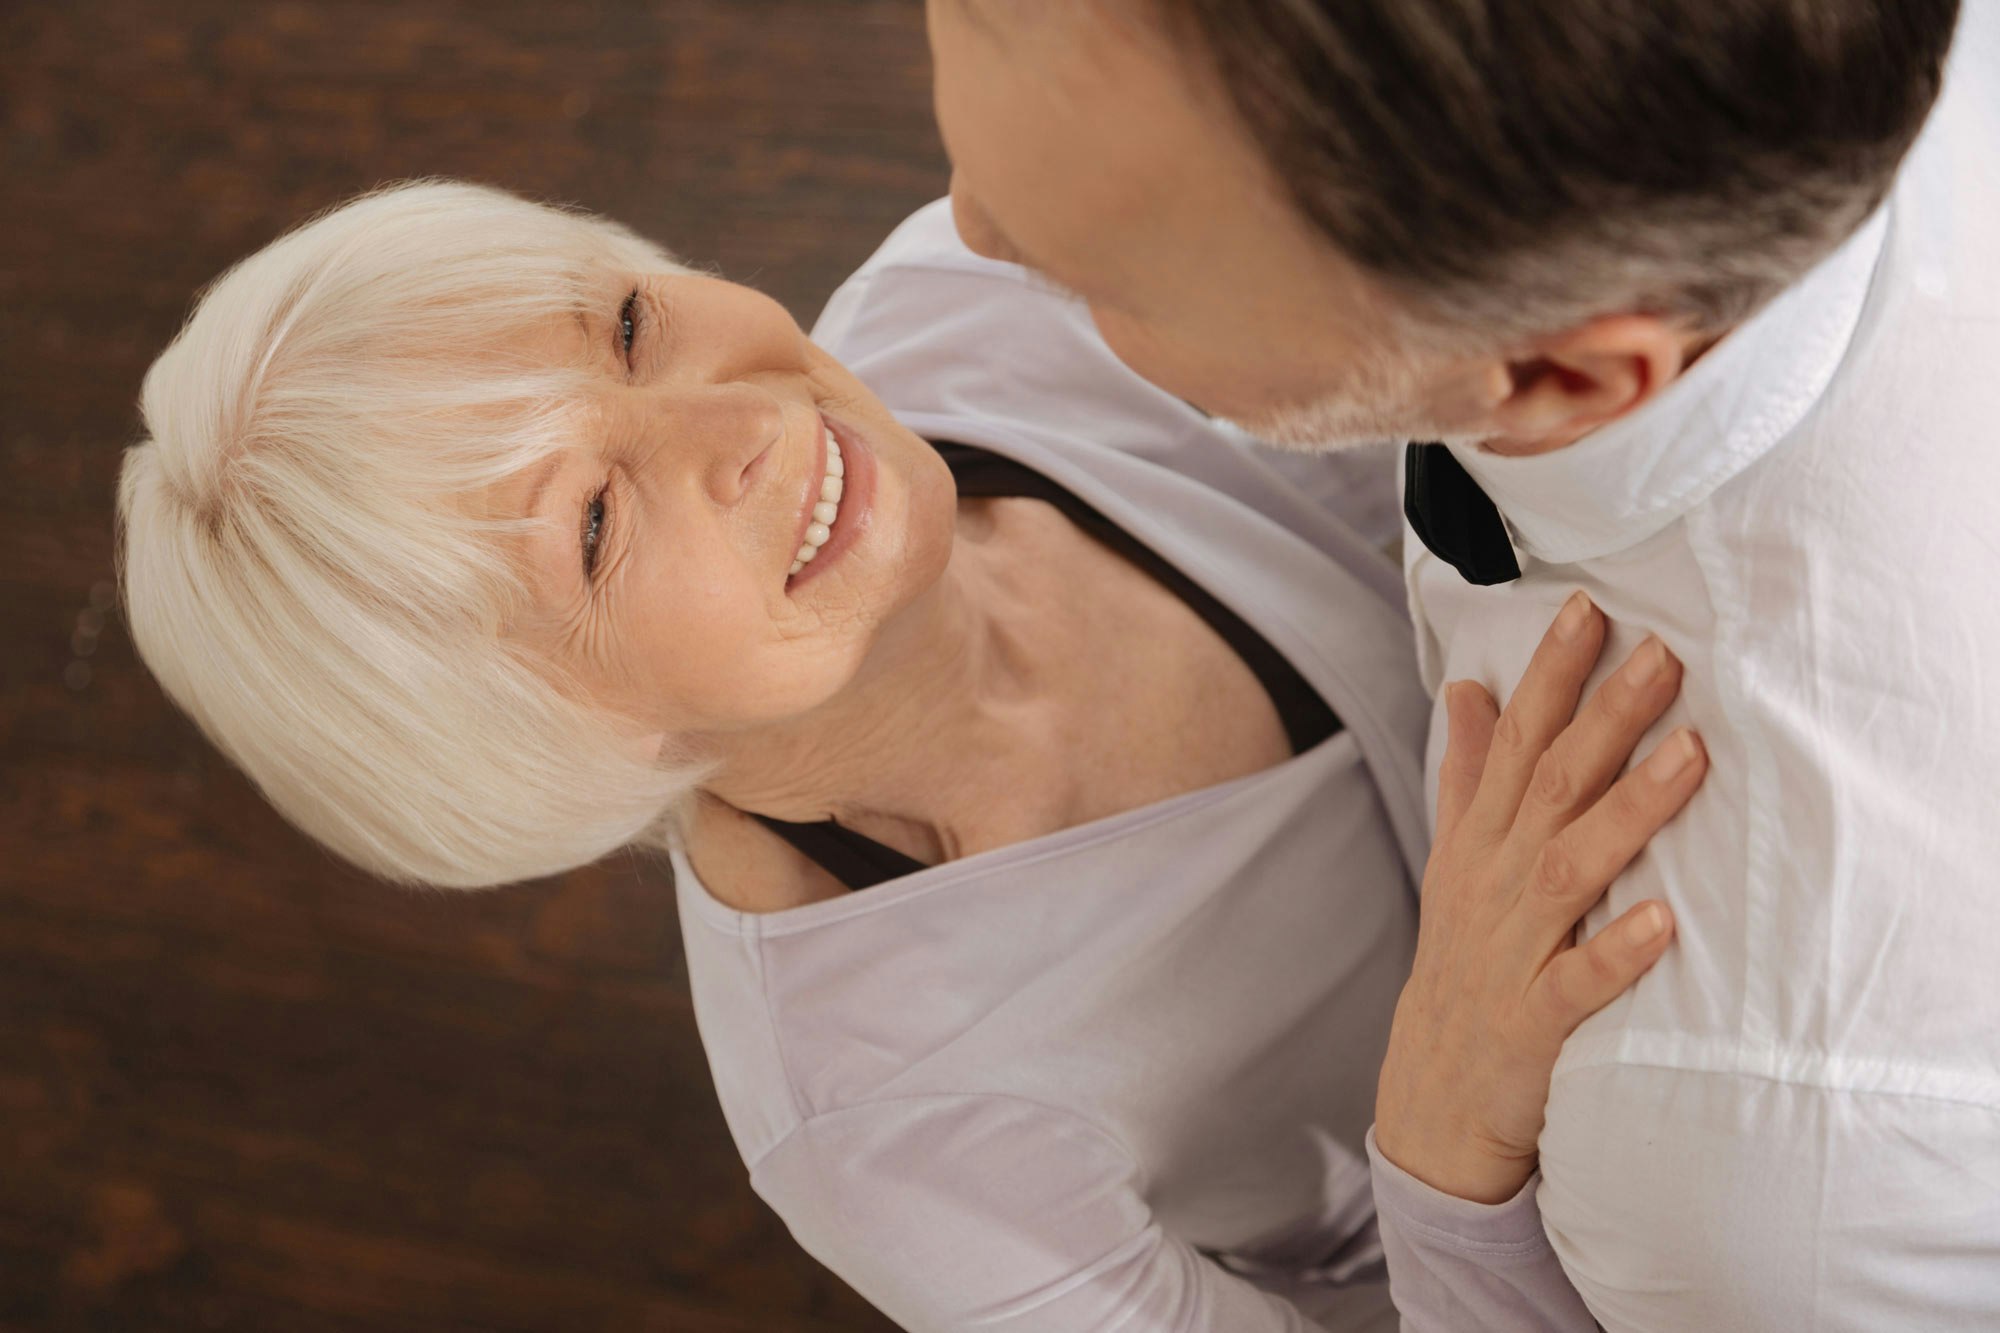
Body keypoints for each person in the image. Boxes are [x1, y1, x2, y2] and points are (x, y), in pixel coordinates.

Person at [118, 181, 1700, 1330]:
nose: (734, 415)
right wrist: (1446, 1143)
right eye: (593, 525)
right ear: (545, 750)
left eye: (625, 324)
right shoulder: (885, 1135)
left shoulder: (998, 282)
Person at [927, 0, 1998, 1326]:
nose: (967, 219)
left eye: (1106, 280)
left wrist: (1443, 1180)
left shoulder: (1746, 1157)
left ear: (1558, 375)